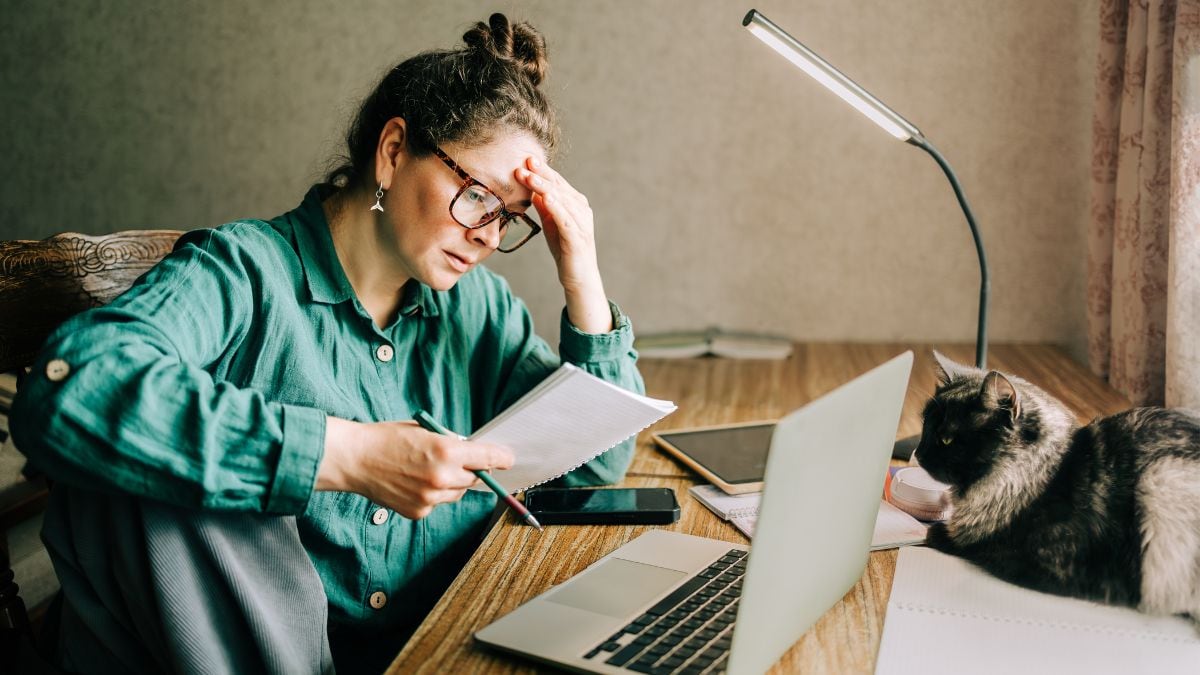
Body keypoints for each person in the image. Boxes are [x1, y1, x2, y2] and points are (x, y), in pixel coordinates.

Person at [11, 13, 642, 674]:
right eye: (478, 195)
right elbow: (66, 390)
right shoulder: (243, 272)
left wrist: (582, 273)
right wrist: (342, 455)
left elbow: (598, 463)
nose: (488, 235)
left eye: (510, 219)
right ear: (394, 151)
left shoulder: (474, 308)